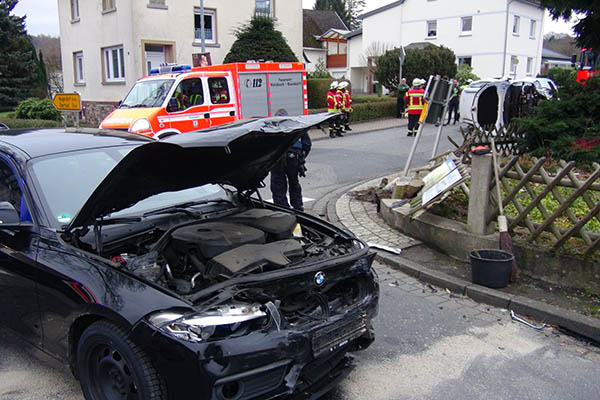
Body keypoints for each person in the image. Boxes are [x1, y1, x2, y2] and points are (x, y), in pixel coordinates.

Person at [270, 130, 312, 211]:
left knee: (278, 184)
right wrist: (301, 158)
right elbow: (307, 144)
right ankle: (298, 207)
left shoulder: (274, 127)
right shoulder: (298, 125)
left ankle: (282, 208)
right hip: (293, 158)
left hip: (277, 158)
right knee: (294, 182)